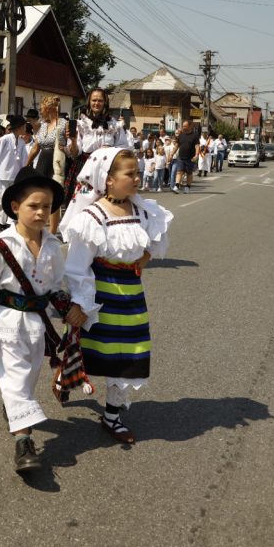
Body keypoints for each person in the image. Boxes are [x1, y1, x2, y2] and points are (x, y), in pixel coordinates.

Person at [60, 147, 173, 443]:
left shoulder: (141, 210)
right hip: (100, 295)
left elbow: (157, 236)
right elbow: (76, 267)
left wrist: (146, 256)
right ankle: (66, 376)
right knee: (88, 349)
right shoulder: (93, 216)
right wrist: (82, 303)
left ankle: (112, 416)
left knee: (128, 355)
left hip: (132, 296)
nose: (137, 178)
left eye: (138, 172)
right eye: (130, 174)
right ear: (108, 180)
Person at [0, 166, 74, 473]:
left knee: (30, 376)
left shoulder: (53, 246)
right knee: (14, 378)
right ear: (15, 207)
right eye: (34, 206)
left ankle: (14, 410)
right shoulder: (2, 246)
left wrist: (67, 307)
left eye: (47, 207)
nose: (41, 213)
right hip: (11, 322)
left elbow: (56, 284)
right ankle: (23, 442)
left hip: (39, 323)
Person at [64, 87, 129, 201]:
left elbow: (124, 148)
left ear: (105, 102)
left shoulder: (114, 125)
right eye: (94, 100)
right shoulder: (81, 124)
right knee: (82, 203)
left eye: (100, 100)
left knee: (105, 204)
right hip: (85, 167)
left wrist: (110, 150)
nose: (97, 103)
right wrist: (73, 140)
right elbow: (74, 154)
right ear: (89, 102)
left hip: (107, 168)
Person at [26, 95, 68, 232]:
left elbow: (70, 144)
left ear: (49, 109)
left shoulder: (63, 124)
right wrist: (26, 165)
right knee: (40, 196)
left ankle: (53, 231)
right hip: (43, 161)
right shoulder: (43, 126)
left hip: (56, 160)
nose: (40, 112)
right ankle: (40, 227)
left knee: (53, 196)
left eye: (41, 109)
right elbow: (36, 147)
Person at [0, 115, 27, 227]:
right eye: (24, 126)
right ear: (18, 127)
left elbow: (23, 159)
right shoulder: (4, 139)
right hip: (2, 174)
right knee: (1, 198)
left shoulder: (21, 142)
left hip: (15, 174)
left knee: (12, 198)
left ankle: (9, 221)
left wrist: (22, 173)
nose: (25, 128)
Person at [173, 120, 199, 193]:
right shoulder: (181, 135)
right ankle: (177, 186)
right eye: (183, 126)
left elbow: (197, 146)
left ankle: (188, 187)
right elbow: (177, 145)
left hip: (190, 158)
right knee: (179, 171)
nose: (183, 127)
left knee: (189, 173)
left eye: (185, 126)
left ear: (189, 126)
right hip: (181, 157)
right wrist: (172, 153)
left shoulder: (194, 136)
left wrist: (196, 155)